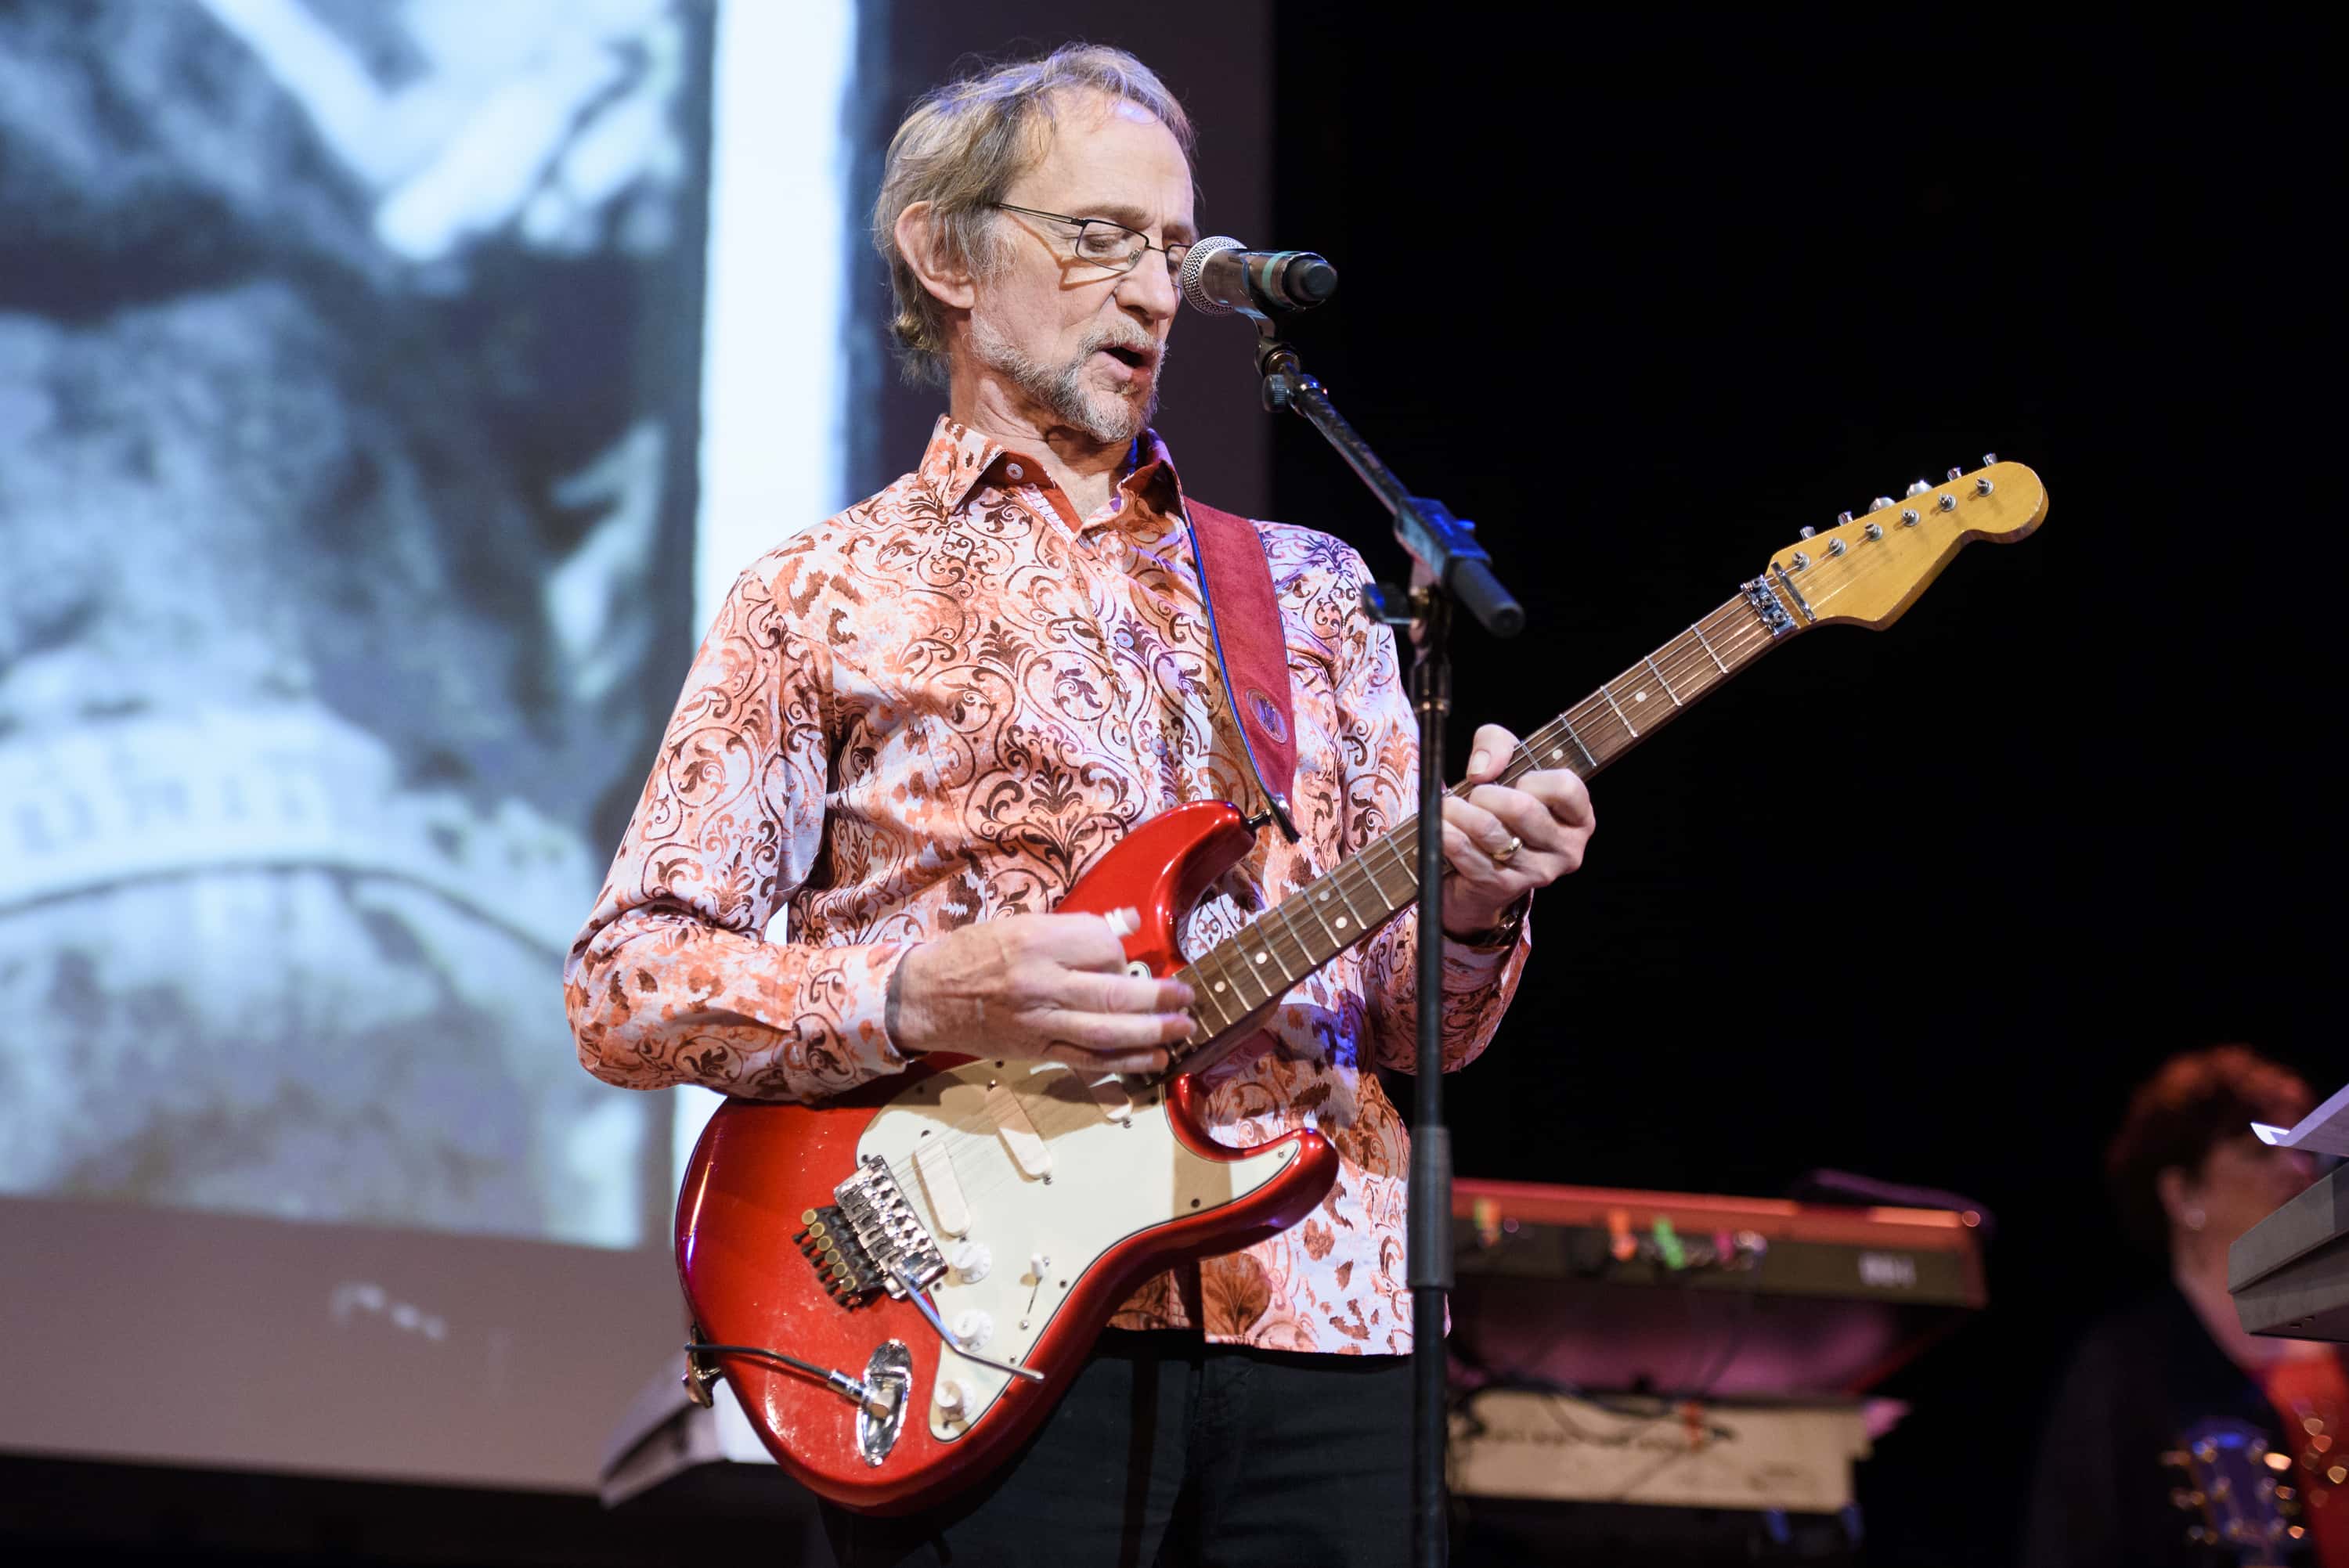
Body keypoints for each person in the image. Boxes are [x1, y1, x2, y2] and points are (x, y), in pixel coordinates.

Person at [563, 42, 1596, 1568]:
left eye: (1176, 252)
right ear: (948, 251)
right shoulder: (824, 592)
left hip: (1331, 1324)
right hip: (976, 1328)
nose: (1152, 290)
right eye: (1099, 236)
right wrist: (921, 988)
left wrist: (1478, 903)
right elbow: (629, 981)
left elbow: (1409, 1025)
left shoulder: (1307, 590)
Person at [2023, 1045, 2346, 1567]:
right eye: (2259, 1151)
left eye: (2304, 1151)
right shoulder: (2125, 1365)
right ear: (2181, 1193)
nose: (2297, 1170)